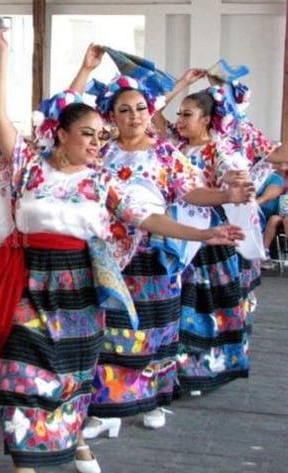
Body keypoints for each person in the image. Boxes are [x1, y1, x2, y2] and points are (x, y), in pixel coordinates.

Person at [0, 30, 242, 473]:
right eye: (89, 134)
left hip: (79, 285)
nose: (98, 143)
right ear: (62, 135)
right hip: (27, 280)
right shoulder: (29, 167)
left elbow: (147, 219)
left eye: (100, 135)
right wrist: (3, 54)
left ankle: (75, 441)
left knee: (71, 376)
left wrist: (201, 234)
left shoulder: (103, 182)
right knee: (19, 368)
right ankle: (25, 462)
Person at [70, 46, 252, 438]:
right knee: (111, 328)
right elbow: (64, 112)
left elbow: (190, 192)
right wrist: (85, 69)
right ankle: (107, 410)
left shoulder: (166, 154)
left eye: (139, 108)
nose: (134, 116)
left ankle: (154, 401)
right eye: (124, 110)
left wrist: (226, 195)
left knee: (156, 329)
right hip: (108, 254)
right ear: (111, 116)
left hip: (157, 252)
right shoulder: (100, 152)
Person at [153, 72, 259, 395]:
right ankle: (170, 370)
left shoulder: (217, 149)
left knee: (203, 305)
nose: (180, 120)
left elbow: (230, 168)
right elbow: (152, 110)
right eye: (180, 114)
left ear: (207, 119)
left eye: (188, 114)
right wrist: (182, 84)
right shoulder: (174, 144)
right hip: (176, 231)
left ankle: (196, 371)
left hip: (207, 236)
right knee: (175, 303)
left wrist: (235, 178)